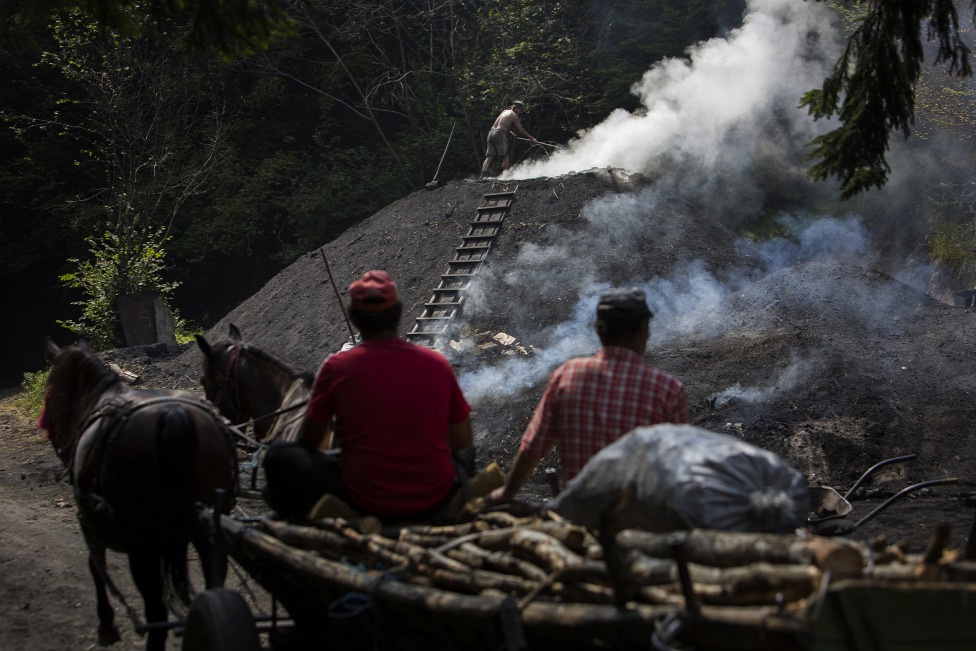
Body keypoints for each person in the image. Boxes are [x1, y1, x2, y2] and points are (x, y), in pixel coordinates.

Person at [263, 270, 475, 521]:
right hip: (434, 497)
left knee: (278, 454)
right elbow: (463, 441)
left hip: (366, 500)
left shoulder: (335, 368)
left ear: (354, 319)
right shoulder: (437, 363)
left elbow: (310, 442)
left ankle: (301, 520)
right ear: (398, 313)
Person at [488, 288, 688, 504]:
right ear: (642, 330)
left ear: (598, 330)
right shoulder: (668, 389)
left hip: (580, 514)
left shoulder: (568, 375)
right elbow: (679, 465)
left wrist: (508, 492)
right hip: (642, 518)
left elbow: (533, 447)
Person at [480, 101, 538, 179]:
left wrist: (510, 132)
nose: (521, 112)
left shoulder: (504, 111)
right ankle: (505, 176)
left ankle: (483, 175)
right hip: (500, 134)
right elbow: (521, 130)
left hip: (491, 133)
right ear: (516, 108)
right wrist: (532, 138)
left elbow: (500, 125)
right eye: (521, 110)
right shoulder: (514, 116)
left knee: (490, 156)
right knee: (506, 156)